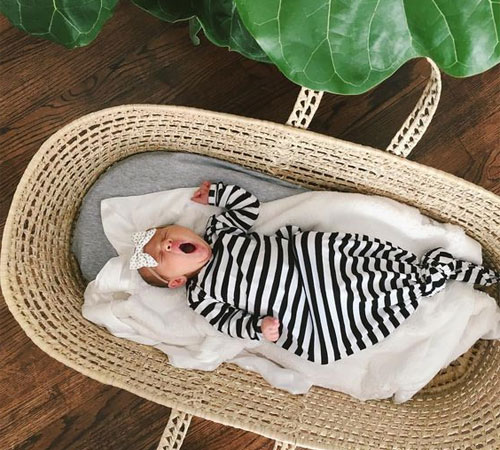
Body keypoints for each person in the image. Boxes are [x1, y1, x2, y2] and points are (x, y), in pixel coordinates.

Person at [129, 181, 499, 364]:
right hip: (305, 312)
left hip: (314, 265)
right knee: (353, 305)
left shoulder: (220, 231)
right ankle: (431, 278)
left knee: (351, 267)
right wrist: (257, 329)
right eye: (164, 255)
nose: (169, 245)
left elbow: (249, 206)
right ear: (176, 280)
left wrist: (217, 195)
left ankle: (429, 273)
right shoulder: (201, 295)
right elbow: (228, 321)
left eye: (166, 236)